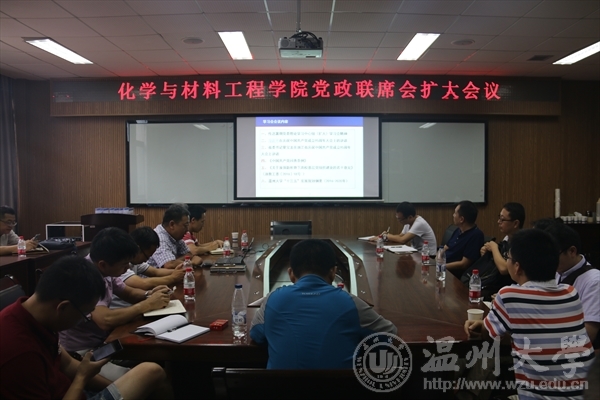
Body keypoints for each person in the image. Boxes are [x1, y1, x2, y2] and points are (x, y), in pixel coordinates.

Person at [0, 255, 173, 400]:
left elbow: (68, 365)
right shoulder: (19, 354)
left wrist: (112, 387)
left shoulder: (36, 316)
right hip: (72, 391)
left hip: (73, 390)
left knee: (152, 377)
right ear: (63, 307)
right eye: (84, 315)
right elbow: (79, 374)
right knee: (151, 371)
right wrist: (82, 378)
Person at [465, 229, 595, 400]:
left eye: (508, 257)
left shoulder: (509, 295)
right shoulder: (570, 293)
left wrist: (480, 326)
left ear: (517, 267)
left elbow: (488, 336)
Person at [250, 239, 397, 369]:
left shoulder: (272, 300)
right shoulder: (351, 303)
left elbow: (256, 334)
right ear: (333, 272)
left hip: (279, 389)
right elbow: (389, 333)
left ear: (291, 274)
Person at [59, 228, 171, 380]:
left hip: (105, 342)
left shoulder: (105, 269)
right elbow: (105, 320)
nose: (128, 268)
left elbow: (129, 293)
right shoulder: (86, 278)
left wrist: (150, 295)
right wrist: (146, 305)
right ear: (103, 264)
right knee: (155, 377)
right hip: (83, 354)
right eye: (124, 264)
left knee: (161, 358)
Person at [541, 222, 600, 348]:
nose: (548, 260)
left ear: (572, 251)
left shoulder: (594, 281)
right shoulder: (557, 272)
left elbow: (588, 334)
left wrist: (547, 344)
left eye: (553, 255)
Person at [110, 227, 186, 309]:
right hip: (122, 310)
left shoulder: (134, 261)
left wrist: (180, 271)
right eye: (147, 256)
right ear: (138, 249)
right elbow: (143, 283)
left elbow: (155, 272)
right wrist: (173, 278)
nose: (147, 260)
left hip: (132, 307)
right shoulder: (119, 264)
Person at [370, 201, 437, 252]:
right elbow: (400, 236)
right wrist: (382, 238)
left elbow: (402, 240)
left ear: (410, 217)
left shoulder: (419, 223)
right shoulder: (408, 222)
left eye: (400, 219)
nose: (399, 221)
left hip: (428, 256)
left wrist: (386, 236)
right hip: (417, 253)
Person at [148, 203, 199, 268]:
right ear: (172, 225)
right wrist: (191, 262)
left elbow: (189, 254)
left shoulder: (175, 236)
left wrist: (175, 261)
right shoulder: (160, 239)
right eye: (185, 225)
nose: (187, 230)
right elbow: (169, 265)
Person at [444, 201, 484, 278]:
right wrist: (438, 258)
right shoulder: (458, 230)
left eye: (455, 213)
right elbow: (446, 247)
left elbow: (464, 264)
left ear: (461, 219)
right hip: (443, 267)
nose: (453, 215)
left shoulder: (476, 235)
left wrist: (441, 266)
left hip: (454, 274)